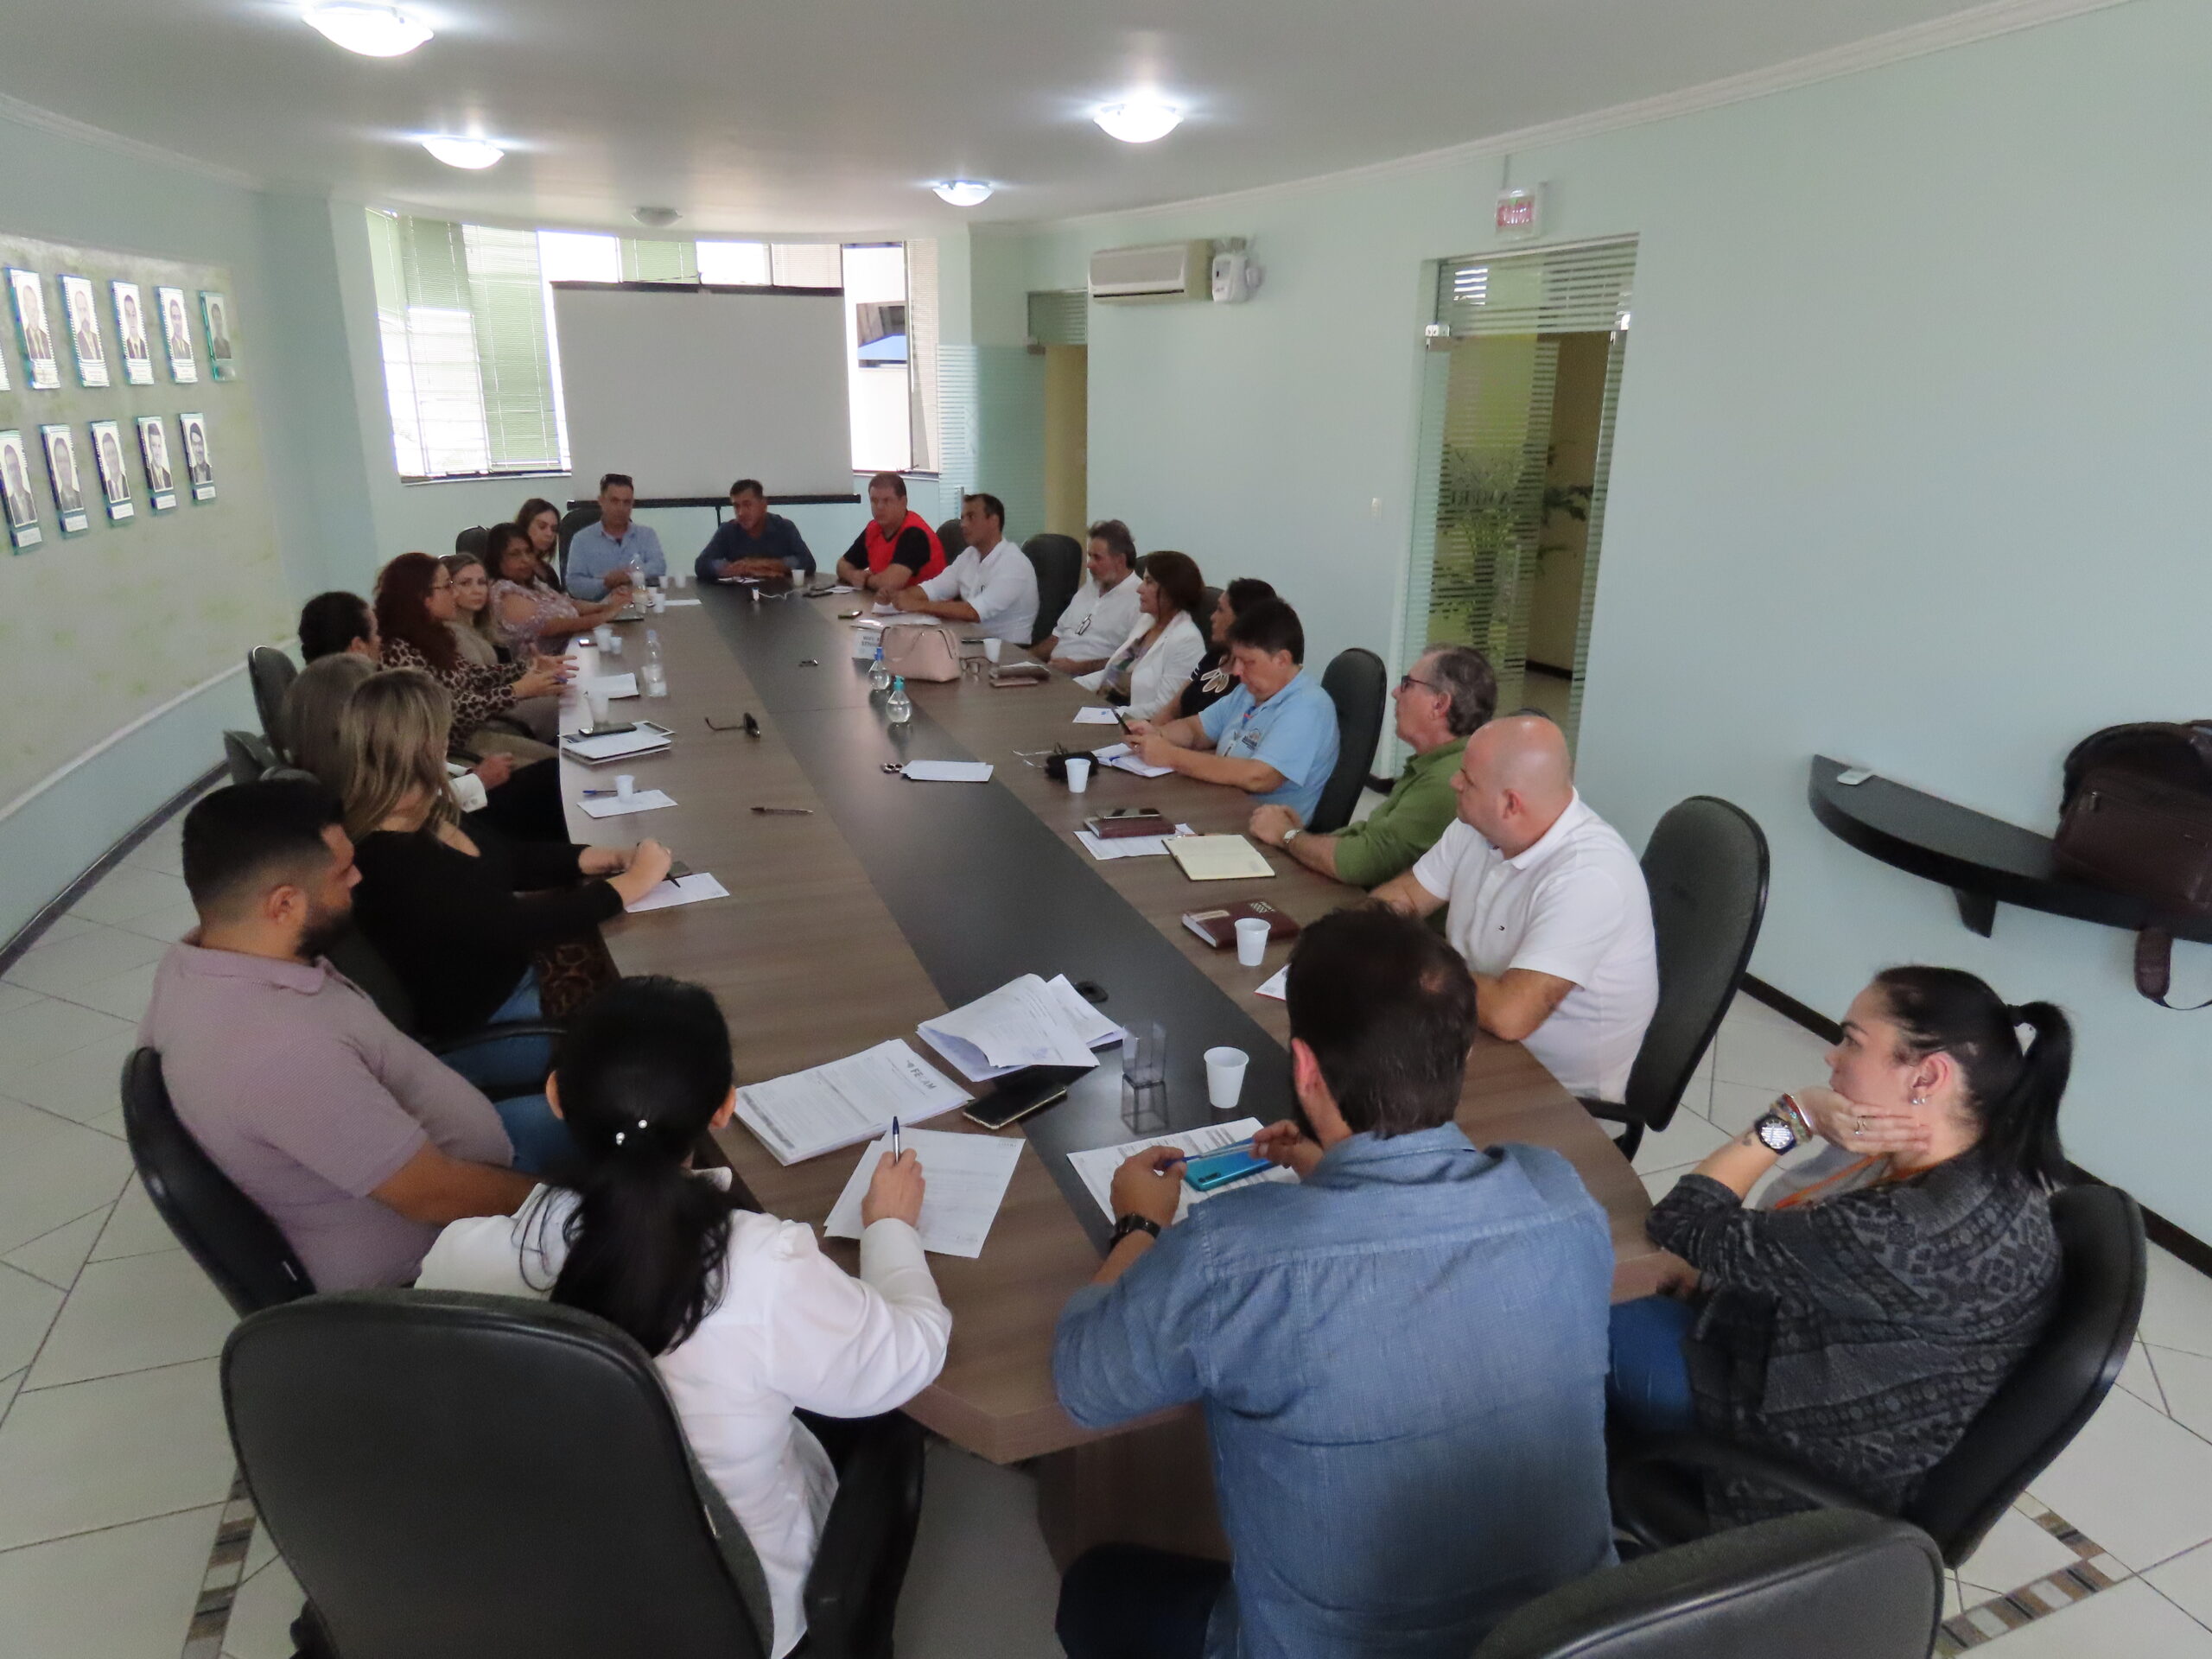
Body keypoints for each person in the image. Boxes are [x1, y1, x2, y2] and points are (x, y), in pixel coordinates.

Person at [1052, 906, 1615, 1659]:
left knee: (1097, 1590)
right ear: (1463, 1058)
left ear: (1306, 1069)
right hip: (1573, 1643)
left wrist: (1140, 1227)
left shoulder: (1235, 1254)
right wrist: (1328, 1173)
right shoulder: (1559, 1197)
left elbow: (1085, 1382)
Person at [418, 976, 951, 1659]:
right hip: (734, 1610)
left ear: (553, 1096)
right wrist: (891, 1229)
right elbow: (908, 1358)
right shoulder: (761, 1267)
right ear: (725, 1109)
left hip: (548, 1589)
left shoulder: (462, 1258)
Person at [1609, 969, 2070, 1526]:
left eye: (1852, 1040)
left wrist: (1793, 1117)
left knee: (1578, 1331)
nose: (1832, 1057)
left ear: (1927, 1074)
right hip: (1853, 1390)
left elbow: (1681, 1221)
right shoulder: (1991, 1164)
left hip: (1795, 1453)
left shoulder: (1899, 1230)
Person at [138, 779, 542, 1289]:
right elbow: (433, 1195)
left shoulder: (199, 959)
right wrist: (572, 1202)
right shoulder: (280, 1054)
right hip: (450, 1248)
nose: (358, 877)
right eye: (342, 871)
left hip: (463, 1163)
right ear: (283, 905)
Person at [340, 671, 671, 1068]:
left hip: (522, 974)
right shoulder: (388, 861)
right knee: (657, 1018)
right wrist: (629, 885)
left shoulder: (421, 811)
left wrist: (599, 857)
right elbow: (514, 923)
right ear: (426, 746)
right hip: (500, 1019)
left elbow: (508, 859)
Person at [1373, 715, 1656, 1103]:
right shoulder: (1476, 823)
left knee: (1370, 1108)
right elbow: (1405, 896)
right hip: (1468, 1031)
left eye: (1467, 779)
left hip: (1552, 1093)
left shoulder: (1589, 877)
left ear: (1510, 804)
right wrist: (1358, 937)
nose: (1455, 782)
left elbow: (1511, 1015)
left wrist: (1407, 962)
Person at [1251, 645, 1497, 890]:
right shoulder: (1435, 762)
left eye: (1408, 684)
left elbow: (1361, 863)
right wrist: (1302, 837)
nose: (1395, 693)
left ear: (1439, 704)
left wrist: (1287, 836)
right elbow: (1371, 835)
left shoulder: (1448, 780)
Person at [1127, 597, 1339, 823]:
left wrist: (1170, 756)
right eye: (1236, 659)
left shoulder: (1308, 707)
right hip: (1220, 807)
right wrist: (1156, 734)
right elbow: (1196, 729)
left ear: (1281, 660)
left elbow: (1259, 776)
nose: (1237, 671)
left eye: (1247, 662)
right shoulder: (1250, 691)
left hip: (1260, 832)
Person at [375, 551, 564, 750]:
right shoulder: (400, 651)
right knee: (553, 766)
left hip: (470, 736)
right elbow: (444, 712)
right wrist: (517, 690)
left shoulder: (433, 636)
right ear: (424, 598)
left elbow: (473, 675)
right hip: (450, 753)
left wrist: (528, 668)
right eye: (448, 586)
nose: (454, 593)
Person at [888, 491, 1039, 643]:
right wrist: (900, 596)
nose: (963, 525)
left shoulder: (1013, 564)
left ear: (993, 521)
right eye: (963, 518)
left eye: (971, 517)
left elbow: (973, 612)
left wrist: (917, 605)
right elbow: (934, 588)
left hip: (1009, 652)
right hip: (973, 640)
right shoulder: (970, 555)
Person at [1091, 551, 1209, 722]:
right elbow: (1113, 672)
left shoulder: (1187, 640)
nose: (1139, 588)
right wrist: (1067, 687)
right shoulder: (1147, 621)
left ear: (1171, 590)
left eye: (1149, 582)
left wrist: (1105, 716)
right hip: (1105, 712)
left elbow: (1164, 709)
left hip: (1134, 726)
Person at [492, 519, 621, 654]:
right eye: (515, 554)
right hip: (541, 669)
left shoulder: (532, 582)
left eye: (528, 552)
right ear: (497, 559)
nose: (525, 559)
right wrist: (603, 617)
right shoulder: (504, 592)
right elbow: (551, 626)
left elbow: (567, 602)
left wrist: (607, 607)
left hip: (569, 654)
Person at [1037, 519, 1142, 669]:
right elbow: (1056, 638)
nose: (1089, 564)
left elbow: (1131, 660)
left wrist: (1079, 668)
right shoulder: (1090, 588)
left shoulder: (1139, 599)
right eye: (1090, 556)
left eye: (1097, 557)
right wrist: (1022, 661)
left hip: (1089, 681)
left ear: (1120, 560)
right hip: (1054, 673)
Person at [1170, 578, 1275, 721]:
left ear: (1242, 620)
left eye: (1220, 610)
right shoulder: (1215, 655)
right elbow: (1172, 709)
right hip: (1171, 736)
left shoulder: (1251, 680)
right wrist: (1152, 734)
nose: (1212, 617)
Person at [834, 471, 946, 595]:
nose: (880, 507)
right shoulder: (874, 528)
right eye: (874, 501)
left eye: (887, 501)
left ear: (903, 502)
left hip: (927, 610)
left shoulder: (915, 534)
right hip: (892, 607)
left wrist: (866, 580)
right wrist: (853, 575)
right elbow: (842, 565)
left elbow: (890, 584)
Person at [565, 473, 666, 601]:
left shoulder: (646, 535)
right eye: (614, 501)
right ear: (601, 501)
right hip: (598, 611)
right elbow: (574, 585)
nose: (621, 508)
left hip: (642, 605)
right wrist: (605, 583)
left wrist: (629, 576)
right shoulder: (581, 540)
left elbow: (659, 567)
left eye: (626, 502)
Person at [696, 479, 816, 582]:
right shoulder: (728, 530)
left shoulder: (784, 527)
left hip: (780, 599)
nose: (741, 513)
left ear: (763, 504)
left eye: (747, 505)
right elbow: (702, 565)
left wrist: (763, 563)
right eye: (736, 506)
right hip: (737, 601)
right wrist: (740, 569)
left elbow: (807, 562)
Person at [442, 551, 506, 669]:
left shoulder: (486, 628)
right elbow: (478, 678)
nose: (477, 590)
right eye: (465, 583)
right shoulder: (451, 632)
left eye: (481, 583)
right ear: (448, 588)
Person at [298, 591, 380, 664]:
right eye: (376, 632)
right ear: (358, 647)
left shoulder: (302, 680)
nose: (380, 640)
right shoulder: (383, 680)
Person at [119, 288, 149, 361]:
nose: (132, 320)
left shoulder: (146, 346)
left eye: (133, 314)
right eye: (128, 315)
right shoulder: (124, 346)